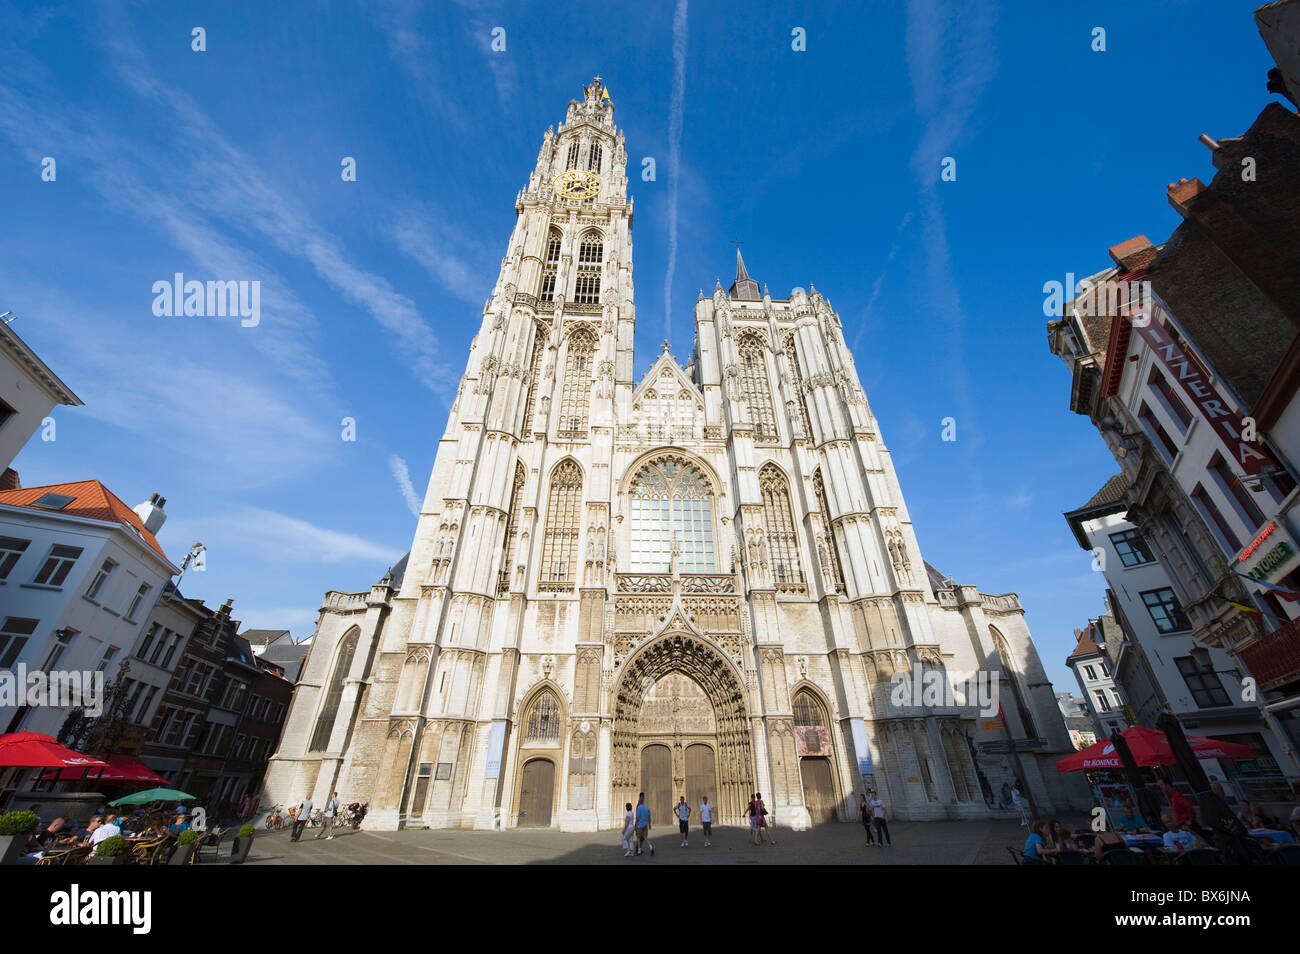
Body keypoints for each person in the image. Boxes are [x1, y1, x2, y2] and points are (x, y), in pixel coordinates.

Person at [634, 792, 653, 856]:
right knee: (645, 837)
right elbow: (649, 816)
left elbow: (637, 817)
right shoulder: (646, 807)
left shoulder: (639, 807)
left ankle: (639, 851)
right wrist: (649, 825)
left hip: (639, 825)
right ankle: (651, 847)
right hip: (645, 825)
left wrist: (635, 825)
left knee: (638, 838)